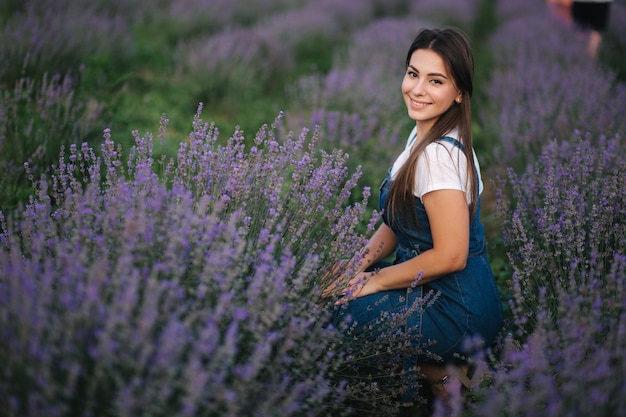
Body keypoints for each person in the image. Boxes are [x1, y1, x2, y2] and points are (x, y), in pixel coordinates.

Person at [324, 27, 503, 409]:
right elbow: (397, 220)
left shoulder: (438, 157)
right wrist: (355, 266)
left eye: (435, 80)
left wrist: (374, 280)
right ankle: (437, 369)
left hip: (458, 311)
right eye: (412, 73)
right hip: (446, 293)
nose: (417, 89)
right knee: (335, 289)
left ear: (458, 92)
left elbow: (451, 256)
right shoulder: (424, 134)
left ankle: (437, 371)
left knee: (333, 318)